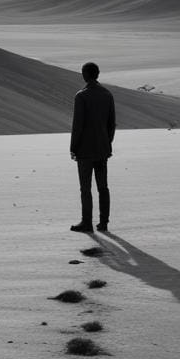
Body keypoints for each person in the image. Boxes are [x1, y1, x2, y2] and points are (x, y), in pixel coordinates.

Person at [69, 61, 116, 233]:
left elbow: (78, 125)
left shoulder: (81, 96)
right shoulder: (107, 94)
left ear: (86, 74)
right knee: (103, 186)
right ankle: (104, 223)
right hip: (102, 149)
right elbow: (112, 124)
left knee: (86, 188)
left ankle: (87, 222)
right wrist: (107, 142)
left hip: (85, 150)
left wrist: (73, 147)